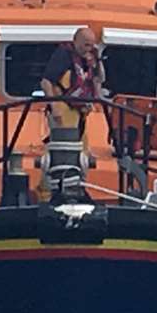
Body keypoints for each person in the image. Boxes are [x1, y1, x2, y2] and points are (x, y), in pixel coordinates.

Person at [41, 27, 107, 194]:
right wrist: (54, 106)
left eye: (91, 45)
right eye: (86, 45)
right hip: (63, 110)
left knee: (81, 156)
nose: (88, 48)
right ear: (76, 41)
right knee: (60, 156)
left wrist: (98, 59)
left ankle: (77, 189)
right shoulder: (63, 55)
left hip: (80, 113)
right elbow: (46, 82)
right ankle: (49, 193)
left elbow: (100, 79)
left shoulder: (89, 59)